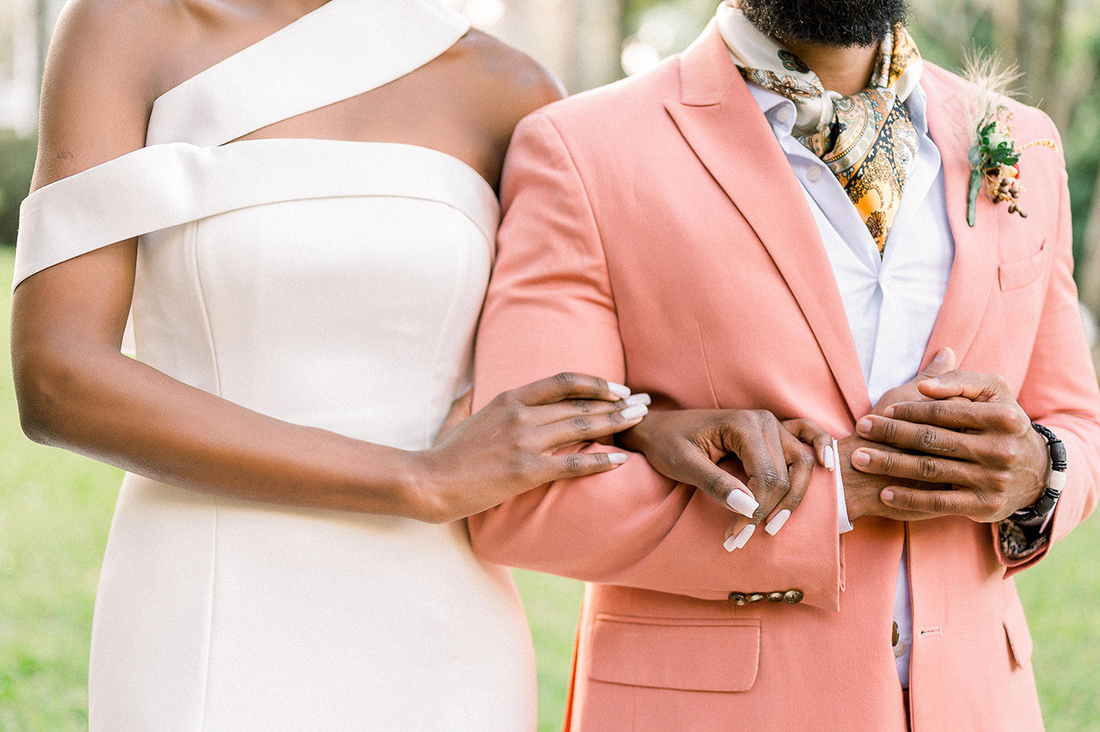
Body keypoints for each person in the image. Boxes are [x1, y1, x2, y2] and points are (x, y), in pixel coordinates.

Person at [9, 0, 667, 727]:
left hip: (439, 625)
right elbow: (57, 377)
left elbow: (566, 363)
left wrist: (653, 424)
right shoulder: (127, 25)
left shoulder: (509, 88)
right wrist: (416, 479)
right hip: (205, 595)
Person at [468, 0, 1100, 728]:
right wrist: (839, 498)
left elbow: (1075, 421)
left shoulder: (1024, 143)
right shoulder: (581, 149)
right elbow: (521, 498)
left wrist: (1035, 471)